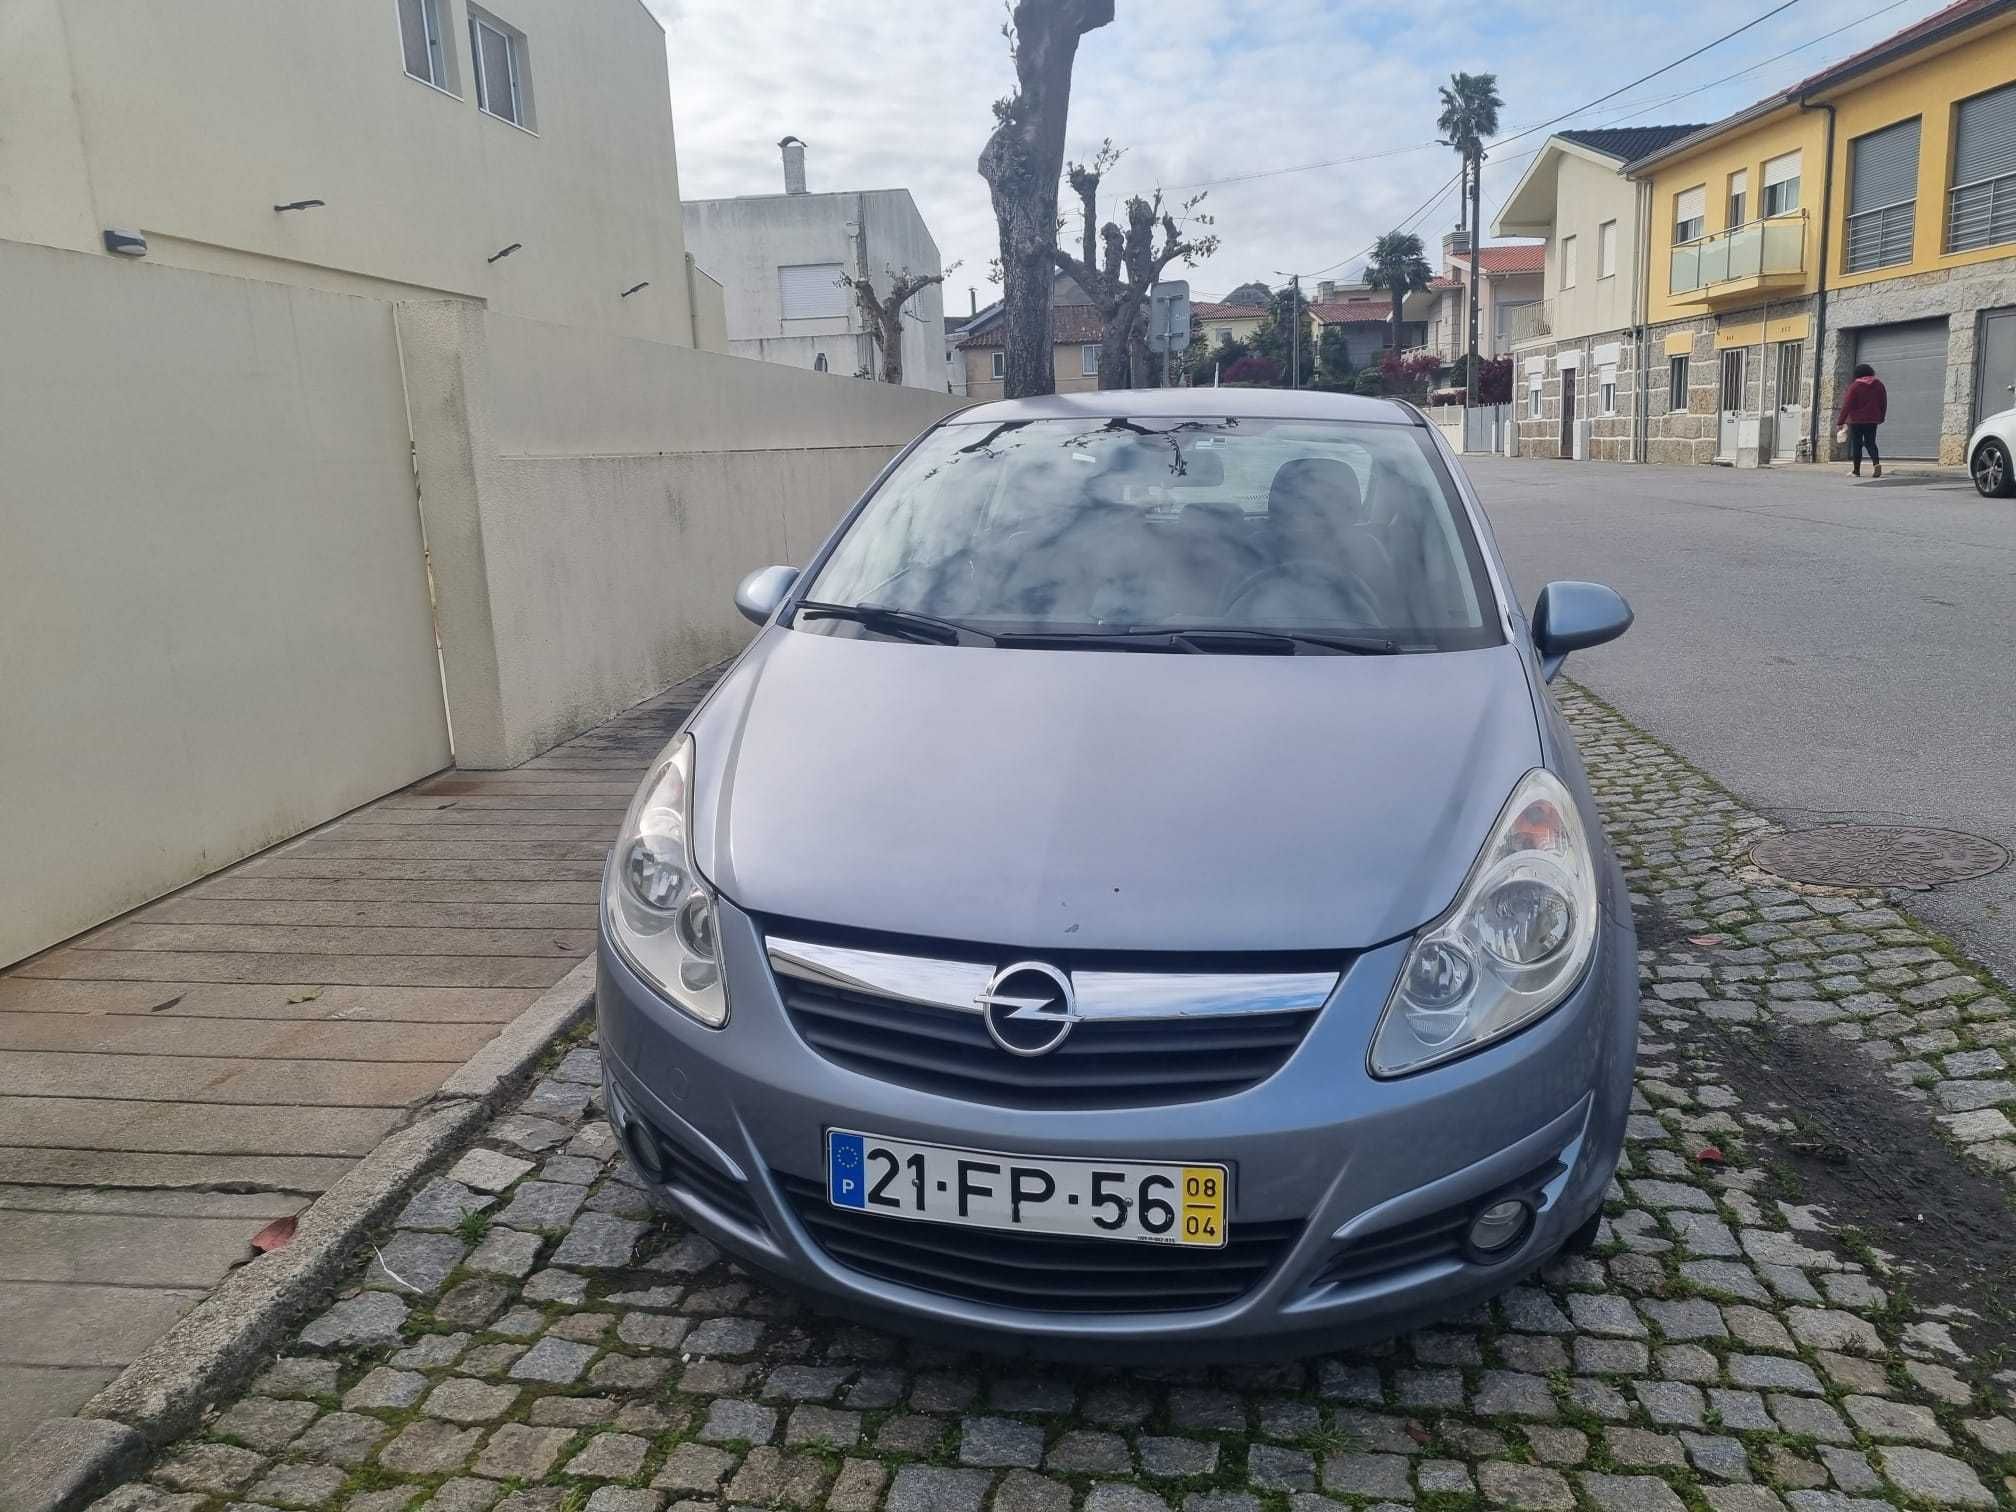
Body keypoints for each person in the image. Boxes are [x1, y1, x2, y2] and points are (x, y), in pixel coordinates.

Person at [1836, 362, 1888, 479]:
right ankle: (1876, 463)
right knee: (1870, 442)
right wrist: (1881, 416)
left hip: (1857, 420)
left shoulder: (1855, 386)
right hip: (1872, 420)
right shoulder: (1879, 385)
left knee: (1857, 444)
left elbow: (1847, 405)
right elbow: (1883, 402)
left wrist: (1840, 421)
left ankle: (1856, 471)